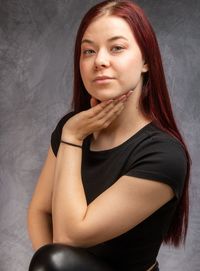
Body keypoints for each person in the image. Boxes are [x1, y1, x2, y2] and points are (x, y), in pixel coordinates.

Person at [27, 0, 191, 270]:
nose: (100, 61)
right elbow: (40, 212)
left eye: (117, 48)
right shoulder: (73, 128)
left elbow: (69, 236)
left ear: (146, 61)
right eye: (88, 51)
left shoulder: (164, 155)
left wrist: (72, 138)